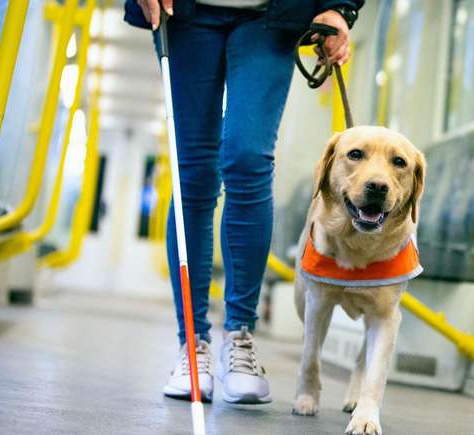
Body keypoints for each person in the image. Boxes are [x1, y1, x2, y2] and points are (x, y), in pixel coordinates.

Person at [123, 0, 363, 404]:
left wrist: (340, 6)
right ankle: (193, 345)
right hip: (183, 12)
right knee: (194, 170)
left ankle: (239, 337)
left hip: (271, 13)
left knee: (248, 156)